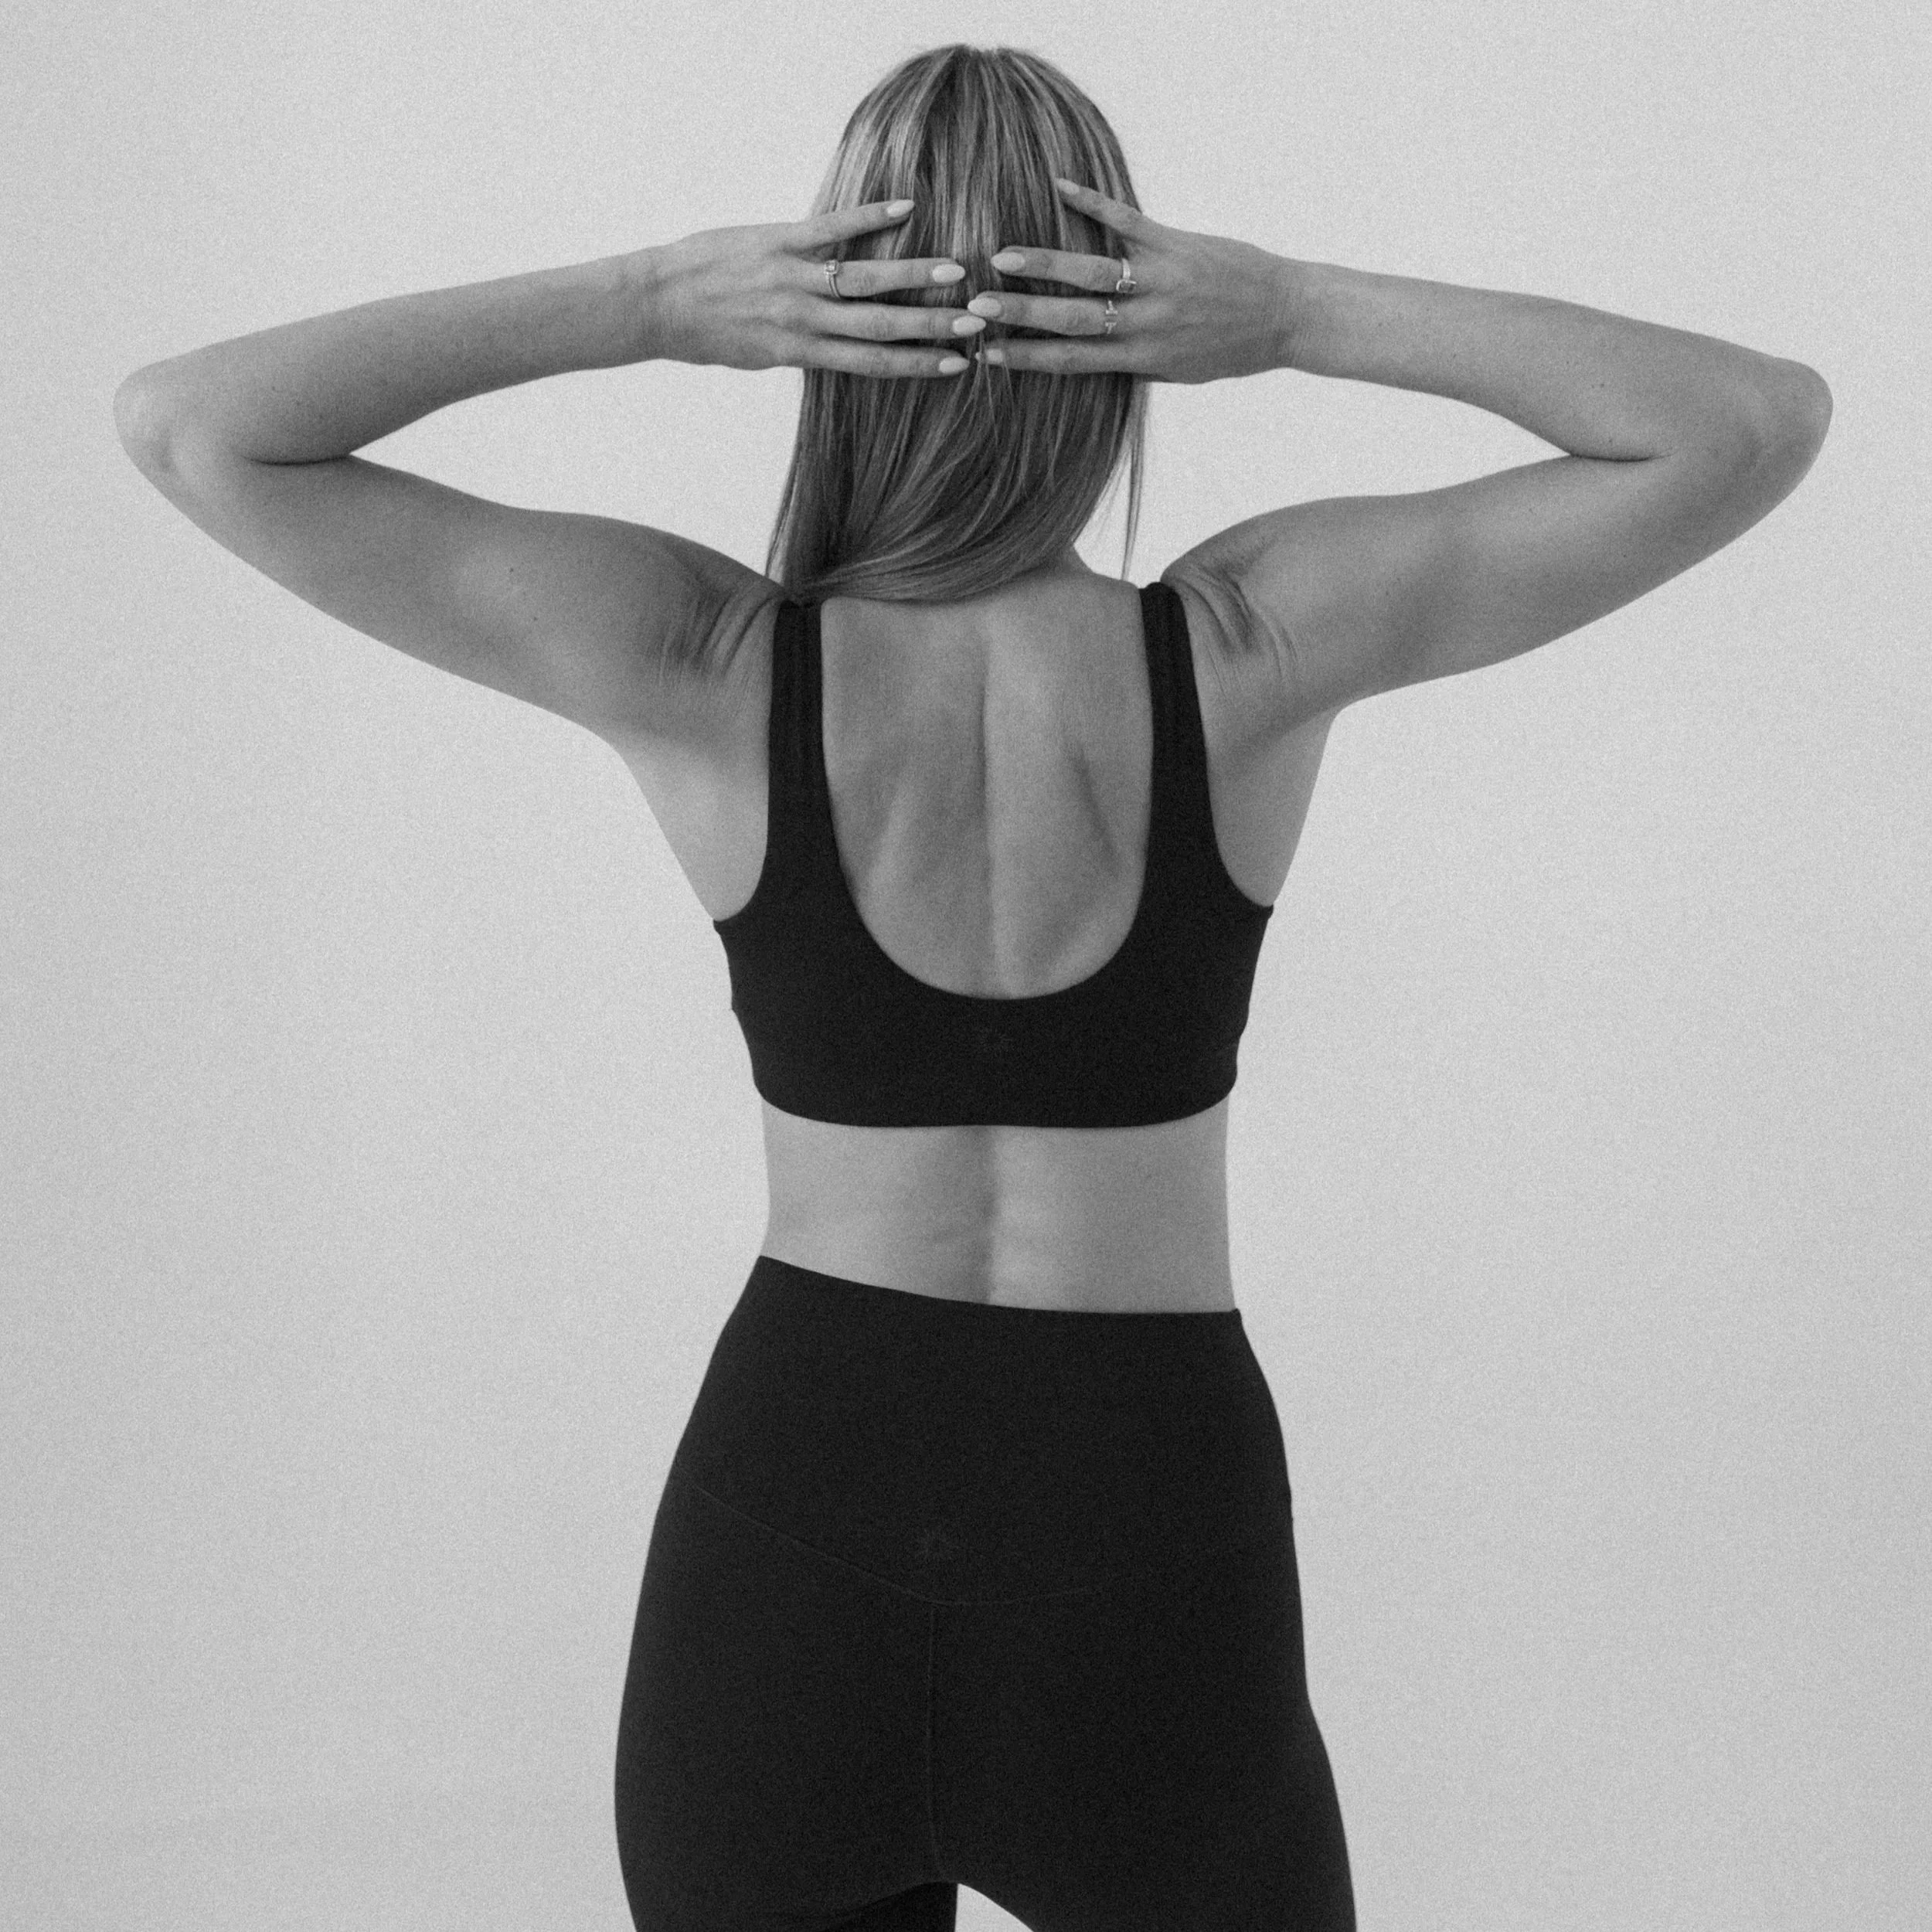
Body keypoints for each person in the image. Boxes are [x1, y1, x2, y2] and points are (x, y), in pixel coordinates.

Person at [112, 39, 1829, 1932]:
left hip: (793, 1533)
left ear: (829, 338)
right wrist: (1291, 313)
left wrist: (658, 301)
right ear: (1123, 340)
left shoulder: (701, 661)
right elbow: (1740, 423)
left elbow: (197, 425)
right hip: (1144, 1537)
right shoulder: (1246, 646)